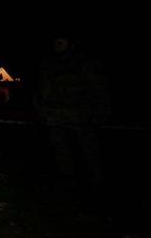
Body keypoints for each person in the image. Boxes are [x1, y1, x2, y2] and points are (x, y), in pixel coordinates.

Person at [33, 35, 110, 186]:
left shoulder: (84, 63)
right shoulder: (48, 65)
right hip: (54, 118)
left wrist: (100, 113)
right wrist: (41, 111)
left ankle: (97, 184)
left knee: (90, 153)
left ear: (70, 44)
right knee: (61, 154)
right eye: (55, 42)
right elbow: (39, 90)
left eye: (61, 42)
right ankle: (68, 185)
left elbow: (99, 89)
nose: (57, 45)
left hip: (81, 117)